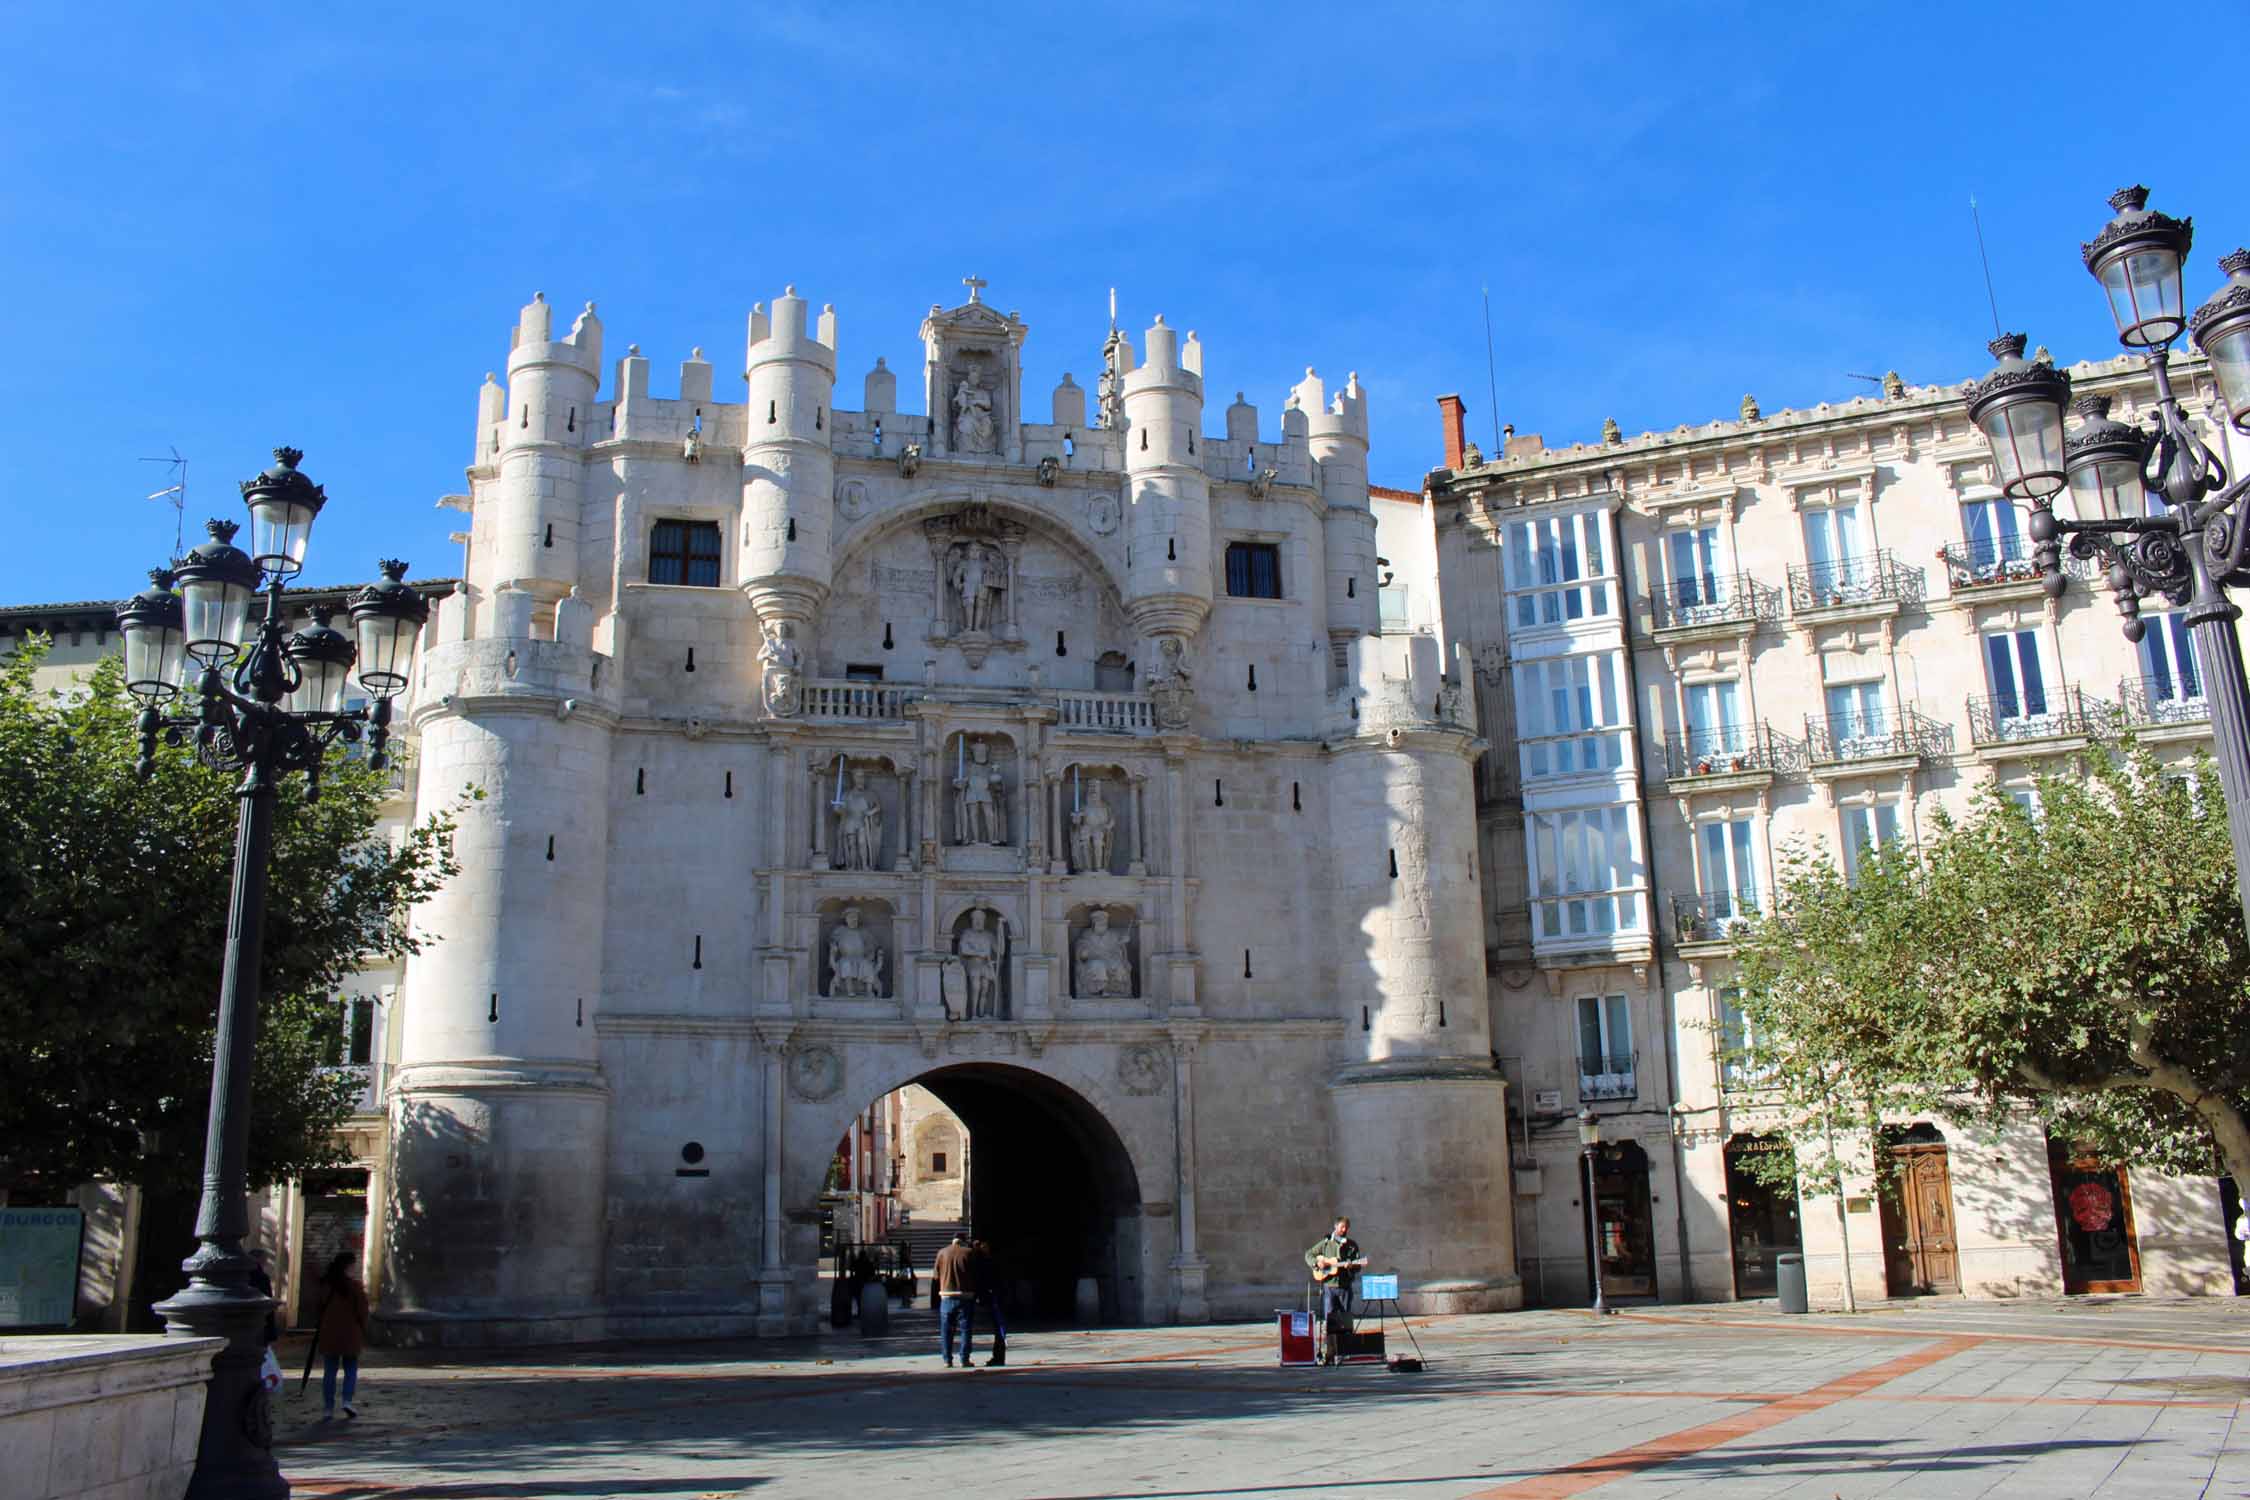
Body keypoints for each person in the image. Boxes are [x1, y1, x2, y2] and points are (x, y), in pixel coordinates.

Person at [314, 1250, 371, 1418]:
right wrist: (364, 1329)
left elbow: (317, 1308)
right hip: (350, 1334)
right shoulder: (354, 1287)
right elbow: (362, 1311)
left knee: (329, 1371)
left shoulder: (325, 1286)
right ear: (348, 1266)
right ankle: (347, 1401)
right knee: (350, 1369)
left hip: (329, 1333)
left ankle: (328, 1407)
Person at [1303, 1215, 1366, 1365]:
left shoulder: (1351, 1245)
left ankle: (1345, 1352)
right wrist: (1318, 1264)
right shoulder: (1325, 1244)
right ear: (1335, 1227)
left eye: (1346, 1228)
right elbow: (1308, 1254)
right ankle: (1330, 1353)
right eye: (1342, 1227)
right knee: (1330, 1320)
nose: (1344, 1230)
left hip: (1344, 1287)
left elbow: (1357, 1266)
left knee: (1346, 1320)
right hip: (1329, 1287)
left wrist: (1353, 1266)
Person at [933, 1231, 977, 1369]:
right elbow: (976, 1274)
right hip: (965, 1296)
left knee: (946, 1330)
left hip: (946, 1296)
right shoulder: (969, 1253)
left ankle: (947, 1360)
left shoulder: (942, 1253)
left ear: (953, 1240)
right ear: (963, 1241)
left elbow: (935, 1276)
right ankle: (964, 1359)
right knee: (965, 1329)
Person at [970, 1239, 1007, 1368]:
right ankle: (998, 1356)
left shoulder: (987, 1262)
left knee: (999, 1327)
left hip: (995, 1297)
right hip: (994, 1296)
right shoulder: (987, 1261)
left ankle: (999, 1356)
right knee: (999, 1328)